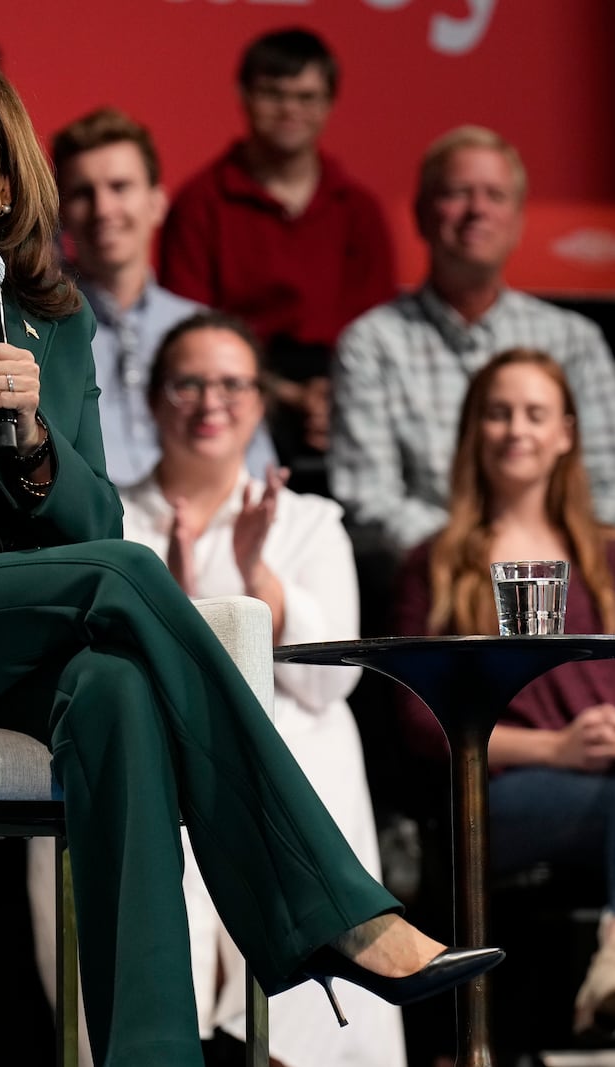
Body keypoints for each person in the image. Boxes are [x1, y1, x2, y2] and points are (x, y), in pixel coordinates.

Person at [0, 57, 501, 1067]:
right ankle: (330, 906)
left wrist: (31, 427)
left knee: (117, 686)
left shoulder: (50, 316)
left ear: (2, 185)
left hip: (15, 624)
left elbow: (83, 522)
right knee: (126, 579)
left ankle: (151, 1047)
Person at [394, 348, 615, 1067]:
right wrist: (558, 747)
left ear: (567, 432)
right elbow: (420, 722)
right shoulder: (438, 559)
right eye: (499, 413)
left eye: (535, 413)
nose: (517, 429)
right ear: (474, 429)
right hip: (504, 796)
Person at [327, 125, 615, 706]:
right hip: (446, 572)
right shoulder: (372, 342)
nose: (476, 210)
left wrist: (550, 566)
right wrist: (480, 556)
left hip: (574, 563)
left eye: (494, 195)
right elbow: (370, 501)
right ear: (424, 215)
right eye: (457, 193)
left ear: (520, 219)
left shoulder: (573, 339)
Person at [118, 310, 406, 1067]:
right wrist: (171, 590)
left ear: (258, 400)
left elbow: (326, 686)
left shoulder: (307, 521)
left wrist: (257, 579)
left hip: (291, 757)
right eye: (189, 382)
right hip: (162, 771)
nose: (211, 401)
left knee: (313, 749)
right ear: (153, 398)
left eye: (232, 383)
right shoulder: (115, 517)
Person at [159, 26, 397, 496]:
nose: (291, 110)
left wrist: (332, 396)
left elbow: (380, 329)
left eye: (307, 97)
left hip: (346, 388)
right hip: (238, 386)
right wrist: (280, 393)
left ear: (330, 103)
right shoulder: (200, 203)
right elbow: (187, 332)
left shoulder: (358, 209)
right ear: (243, 96)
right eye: (274, 94)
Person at [51, 106, 276, 488]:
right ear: (61, 213)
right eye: (83, 193)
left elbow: (258, 471)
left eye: (120, 187)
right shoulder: (39, 334)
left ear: (157, 203)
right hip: (94, 542)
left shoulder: (207, 335)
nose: (104, 210)